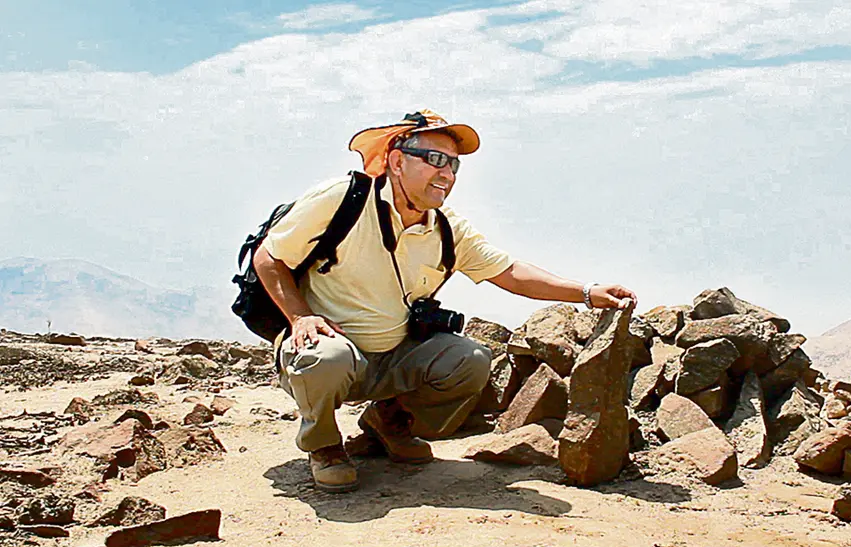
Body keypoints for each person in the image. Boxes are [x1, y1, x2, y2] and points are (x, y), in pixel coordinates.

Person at [253, 110, 637, 492]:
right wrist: (299, 316)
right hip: (330, 352)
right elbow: (268, 257)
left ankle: (387, 423)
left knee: (470, 361)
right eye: (435, 159)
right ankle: (323, 446)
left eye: (454, 164)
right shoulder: (342, 200)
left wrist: (587, 293)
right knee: (327, 358)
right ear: (397, 161)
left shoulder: (448, 228)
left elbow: (510, 272)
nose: (447, 174)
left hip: (395, 356)